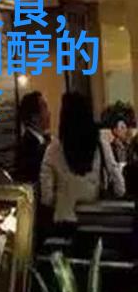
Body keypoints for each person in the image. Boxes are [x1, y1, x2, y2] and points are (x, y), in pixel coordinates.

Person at [40, 92, 125, 226]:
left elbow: (46, 197)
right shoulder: (100, 144)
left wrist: (65, 197)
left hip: (64, 221)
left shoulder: (52, 150)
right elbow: (120, 187)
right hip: (95, 219)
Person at [15, 91, 51, 184]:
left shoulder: (47, 140)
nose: (49, 113)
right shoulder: (28, 148)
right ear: (34, 117)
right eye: (44, 107)